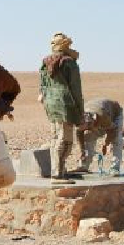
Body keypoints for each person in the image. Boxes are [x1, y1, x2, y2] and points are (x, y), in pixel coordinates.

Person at [38, 32, 84, 184]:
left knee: (55, 137)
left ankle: (59, 170)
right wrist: (80, 111)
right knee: (66, 139)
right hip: (65, 104)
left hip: (50, 103)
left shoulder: (45, 62)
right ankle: (58, 173)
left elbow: (42, 85)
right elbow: (76, 89)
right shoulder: (69, 62)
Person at [76, 98, 124, 177]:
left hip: (115, 114)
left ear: (93, 121)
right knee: (87, 136)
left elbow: (113, 130)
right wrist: (82, 151)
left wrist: (106, 144)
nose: (89, 129)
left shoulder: (102, 116)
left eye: (89, 127)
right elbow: (80, 134)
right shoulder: (80, 120)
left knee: (117, 140)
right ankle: (84, 166)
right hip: (98, 116)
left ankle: (115, 168)